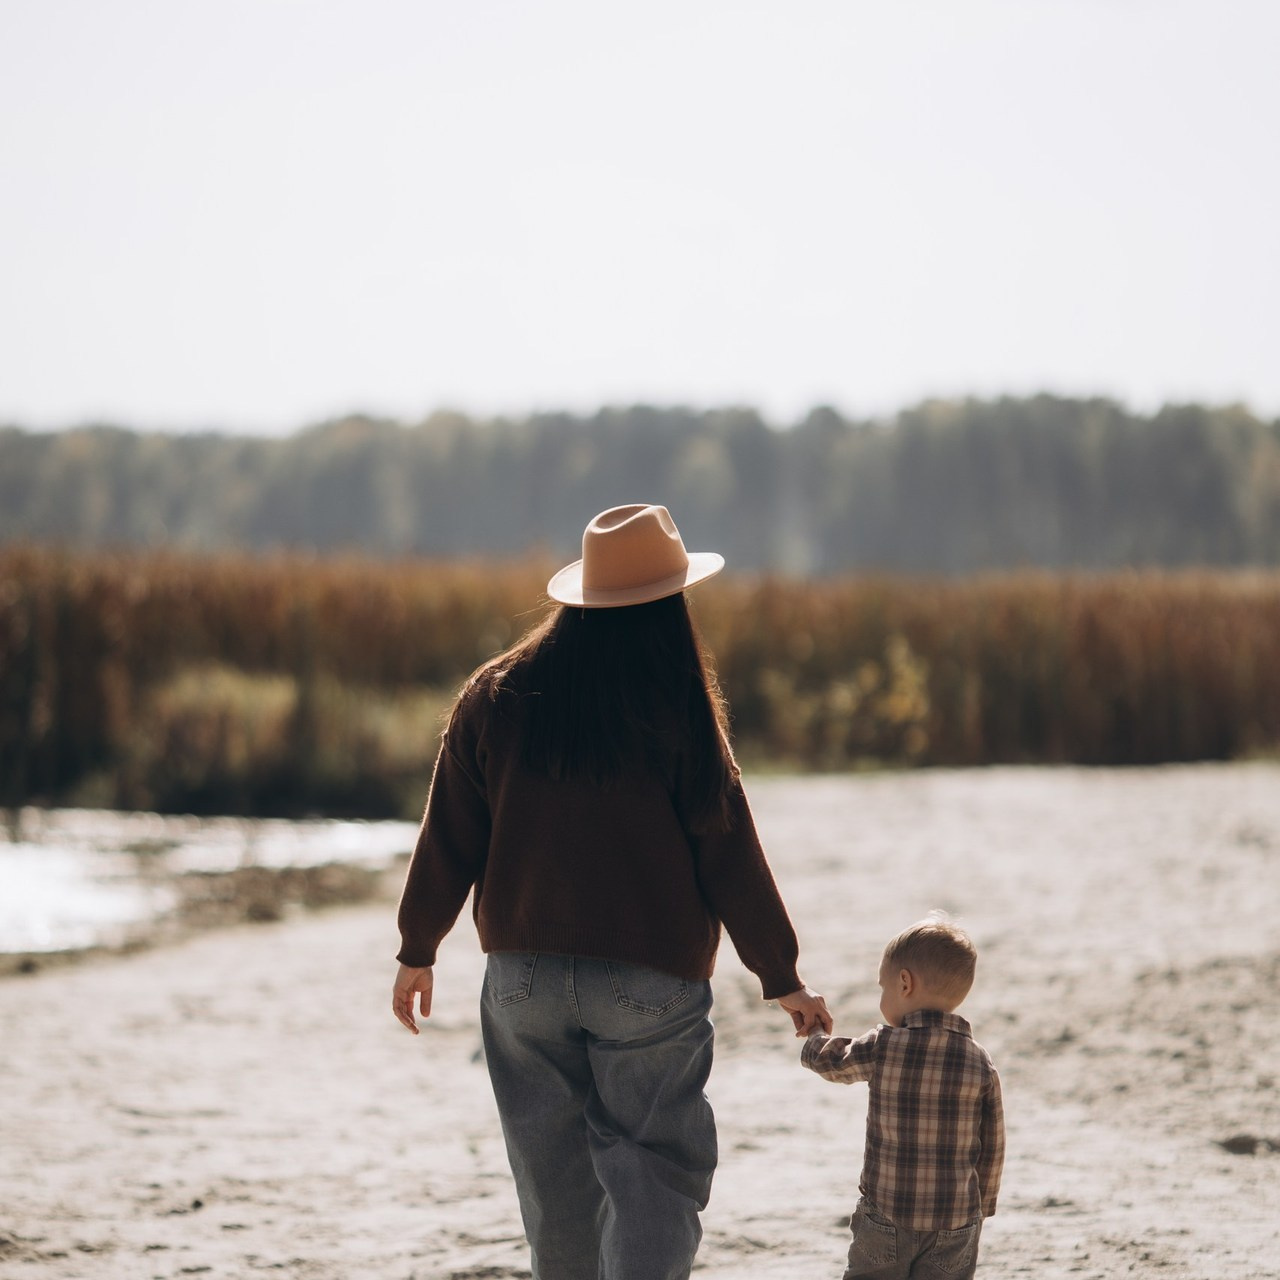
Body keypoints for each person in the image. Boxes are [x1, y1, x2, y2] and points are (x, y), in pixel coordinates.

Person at [392, 502, 832, 1280]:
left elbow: (449, 831)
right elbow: (726, 845)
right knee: (654, 1168)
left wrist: (417, 947)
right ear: (671, 604)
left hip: (522, 976)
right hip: (649, 978)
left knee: (552, 1181)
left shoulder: (496, 693)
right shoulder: (678, 704)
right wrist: (781, 973)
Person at [800, 915, 1003, 1280]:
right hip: (955, 1220)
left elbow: (832, 1063)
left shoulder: (884, 1045)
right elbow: (993, 1143)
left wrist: (814, 1033)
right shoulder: (979, 1060)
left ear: (904, 983)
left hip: (887, 1215)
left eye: (883, 987)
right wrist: (982, 1206)